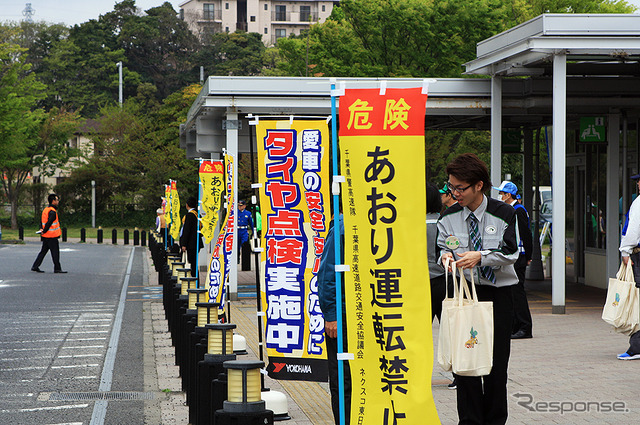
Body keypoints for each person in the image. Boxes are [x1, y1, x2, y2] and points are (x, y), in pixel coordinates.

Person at [436, 153, 519, 425]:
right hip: (464, 295)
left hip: (498, 295)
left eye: (460, 188)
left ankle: (496, 419)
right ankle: (469, 420)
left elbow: (511, 252)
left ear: (478, 186)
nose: (454, 193)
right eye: (451, 187)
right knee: (466, 362)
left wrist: (481, 256)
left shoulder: (504, 212)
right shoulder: (448, 216)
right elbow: (442, 249)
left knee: (496, 365)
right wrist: (446, 258)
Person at [318, 214, 351, 424]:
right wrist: (331, 315)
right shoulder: (343, 226)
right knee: (344, 379)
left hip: (374, 315)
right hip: (344, 316)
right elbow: (327, 274)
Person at [494, 181, 533, 339]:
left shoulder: (518, 211)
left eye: (502, 194)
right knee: (512, 292)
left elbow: (526, 235)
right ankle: (516, 325)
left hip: (520, 257)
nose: (500, 196)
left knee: (518, 292)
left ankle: (525, 327)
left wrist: (529, 256)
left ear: (508, 195)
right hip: (515, 257)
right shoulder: (512, 210)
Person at [617, 173, 640, 360]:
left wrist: (625, 251)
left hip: (638, 254)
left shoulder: (639, 203)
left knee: (637, 301)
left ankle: (637, 347)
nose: (639, 184)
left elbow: (633, 230)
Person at [31, 194, 67, 273]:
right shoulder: (52, 212)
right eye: (57, 200)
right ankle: (57, 268)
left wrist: (41, 229)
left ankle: (35, 266)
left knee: (43, 251)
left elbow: (42, 221)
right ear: (53, 201)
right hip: (51, 235)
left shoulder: (45, 210)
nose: (58, 201)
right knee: (55, 252)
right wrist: (45, 230)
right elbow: (49, 222)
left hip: (46, 236)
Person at [427, 183, 446, 322]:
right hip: (444, 280)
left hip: (420, 283)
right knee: (448, 330)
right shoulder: (445, 222)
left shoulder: (411, 226)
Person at [180, 197, 203, 279]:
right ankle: (195, 279)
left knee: (192, 263)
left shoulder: (189, 215)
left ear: (187, 205)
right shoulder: (198, 214)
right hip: (197, 241)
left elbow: (186, 231)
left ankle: (194, 280)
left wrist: (183, 244)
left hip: (191, 243)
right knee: (194, 262)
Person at [237, 200, 254, 271]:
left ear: (244, 206)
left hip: (244, 230)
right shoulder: (235, 213)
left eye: (241, 205)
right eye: (239, 205)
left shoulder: (248, 213)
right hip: (237, 230)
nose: (239, 207)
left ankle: (245, 261)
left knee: (244, 245)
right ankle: (237, 258)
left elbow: (251, 223)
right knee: (237, 246)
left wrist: (253, 232)